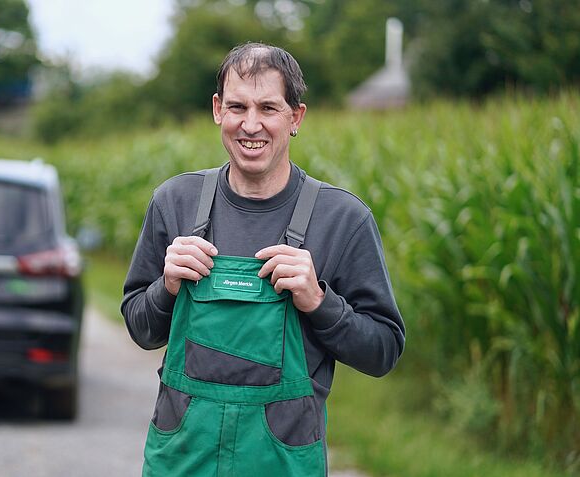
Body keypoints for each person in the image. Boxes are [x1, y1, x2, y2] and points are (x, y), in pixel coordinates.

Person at [121, 42, 405, 476]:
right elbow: (141, 329)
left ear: (296, 117)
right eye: (237, 106)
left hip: (282, 463)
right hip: (181, 462)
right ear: (218, 109)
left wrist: (320, 302)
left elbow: (383, 351)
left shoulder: (343, 219)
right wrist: (166, 287)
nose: (250, 125)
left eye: (268, 108)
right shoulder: (174, 202)